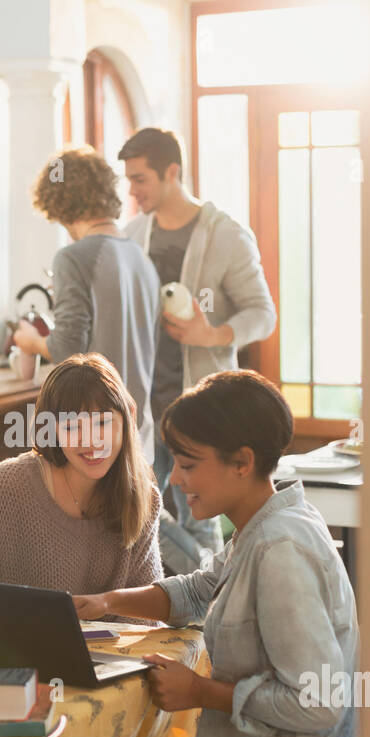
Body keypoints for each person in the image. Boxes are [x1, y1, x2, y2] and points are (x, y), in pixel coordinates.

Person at [32, 370, 358, 737]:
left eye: (187, 464)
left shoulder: (282, 549)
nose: (174, 479)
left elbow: (318, 703)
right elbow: (201, 588)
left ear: (242, 463)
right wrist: (107, 601)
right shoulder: (264, 522)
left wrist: (201, 692)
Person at [118, 128, 277, 574]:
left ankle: (208, 612)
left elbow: (263, 314)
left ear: (172, 172)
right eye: (128, 180)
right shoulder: (131, 237)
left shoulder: (226, 235)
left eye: (141, 179)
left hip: (200, 407)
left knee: (201, 515)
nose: (132, 190)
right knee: (137, 511)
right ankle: (209, 587)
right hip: (143, 407)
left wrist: (214, 334)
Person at [0, 354, 161, 611]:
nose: (91, 441)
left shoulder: (143, 499)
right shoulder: (7, 485)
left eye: (103, 423)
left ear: (129, 416)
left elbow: (149, 612)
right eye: (72, 427)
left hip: (113, 653)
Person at [13, 146, 159, 465]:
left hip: (92, 432)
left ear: (59, 205)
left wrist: (30, 341)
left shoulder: (72, 257)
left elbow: (68, 349)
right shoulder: (140, 257)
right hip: (139, 430)